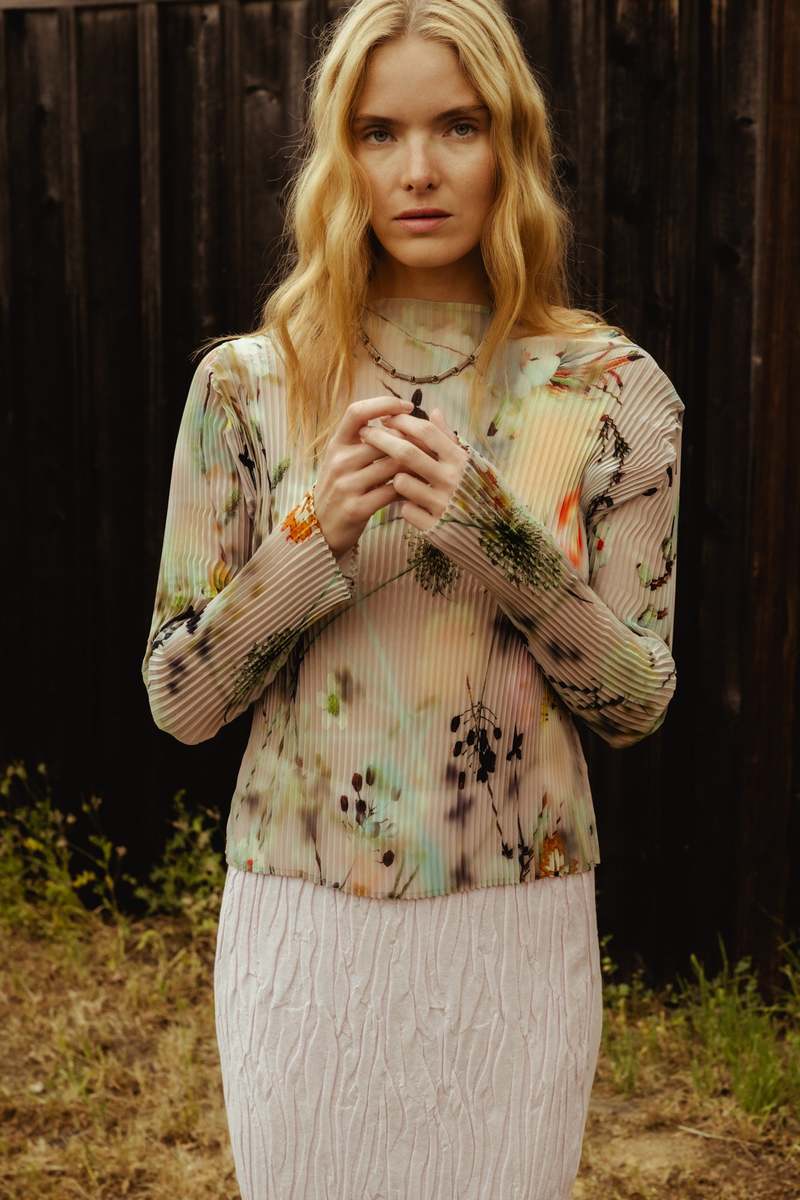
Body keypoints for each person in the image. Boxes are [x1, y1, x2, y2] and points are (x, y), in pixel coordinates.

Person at [141, 1, 685, 1196]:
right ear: (339, 154)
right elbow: (180, 700)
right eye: (378, 131)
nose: (419, 170)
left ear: (511, 145)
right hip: (304, 929)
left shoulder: (609, 390)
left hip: (513, 934)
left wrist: (493, 535)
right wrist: (314, 535)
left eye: (458, 126)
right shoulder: (248, 385)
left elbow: (635, 700)